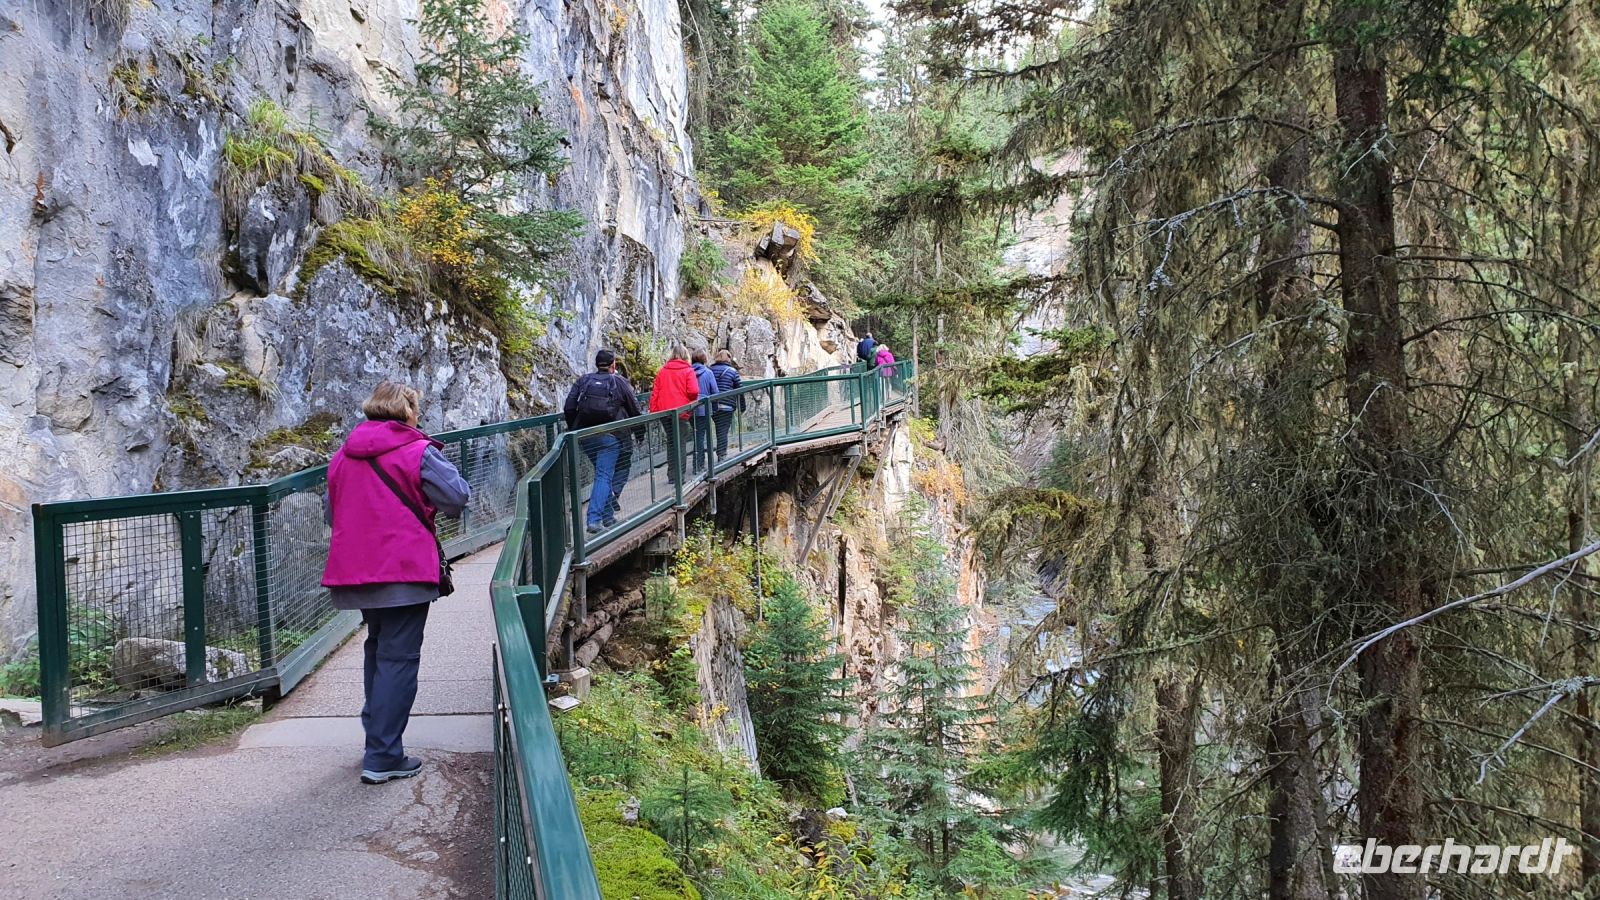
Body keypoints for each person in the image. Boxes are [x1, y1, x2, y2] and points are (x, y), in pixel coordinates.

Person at [321, 381, 470, 785]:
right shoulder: (416, 451)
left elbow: (332, 515)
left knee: (378, 649)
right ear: (408, 412)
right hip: (404, 569)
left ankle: (376, 741)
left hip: (358, 571)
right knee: (399, 659)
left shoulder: (342, 456)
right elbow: (457, 498)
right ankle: (384, 755)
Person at [563, 349, 643, 533]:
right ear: (613, 364)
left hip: (584, 436)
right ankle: (594, 519)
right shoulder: (619, 382)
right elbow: (635, 411)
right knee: (604, 476)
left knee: (602, 476)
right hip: (610, 437)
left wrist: (575, 427)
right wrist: (640, 435)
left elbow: (569, 406)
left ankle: (607, 517)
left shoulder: (583, 381)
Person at [648, 345, 699, 484]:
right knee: (680, 443)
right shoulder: (688, 370)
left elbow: (655, 394)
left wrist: (654, 411)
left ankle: (671, 475)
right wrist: (690, 403)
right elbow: (694, 391)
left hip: (665, 412)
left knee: (671, 442)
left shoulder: (662, 371)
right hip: (681, 412)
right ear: (685, 355)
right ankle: (679, 476)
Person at [708, 350, 743, 461]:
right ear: (728, 358)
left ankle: (716, 453)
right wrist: (742, 406)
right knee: (723, 430)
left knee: (718, 428)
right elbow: (740, 389)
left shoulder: (709, 370)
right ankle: (722, 455)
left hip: (712, 406)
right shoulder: (732, 371)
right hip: (727, 406)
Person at [689, 350, 720, 474]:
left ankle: (697, 463)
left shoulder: (688, 372)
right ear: (704, 359)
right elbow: (715, 392)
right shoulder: (708, 373)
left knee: (697, 436)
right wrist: (715, 407)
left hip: (690, 409)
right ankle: (699, 465)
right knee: (701, 437)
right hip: (705, 409)